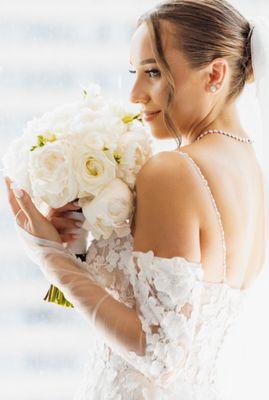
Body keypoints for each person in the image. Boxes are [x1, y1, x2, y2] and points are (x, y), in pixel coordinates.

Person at [3, 0, 268, 399]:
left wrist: (49, 258)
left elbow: (159, 354)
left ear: (215, 74)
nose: (135, 94)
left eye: (153, 72)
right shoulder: (248, 170)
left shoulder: (173, 172)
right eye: (134, 72)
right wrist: (73, 251)